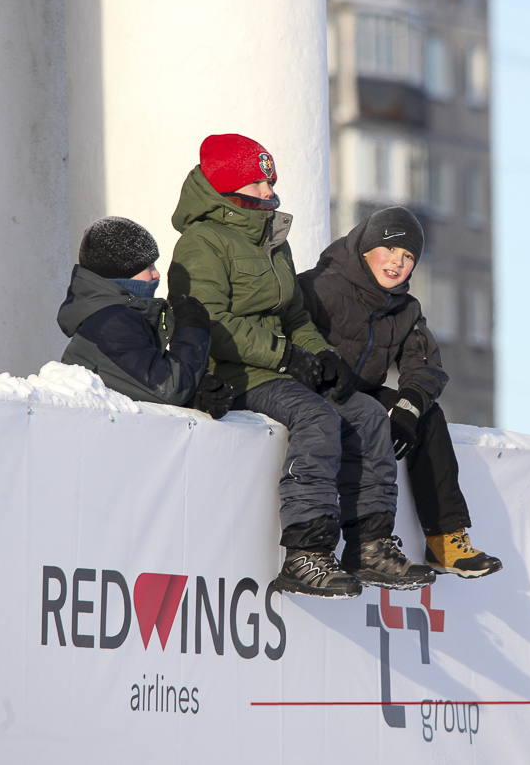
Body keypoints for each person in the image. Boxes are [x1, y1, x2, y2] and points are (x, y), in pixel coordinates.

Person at [167, 134, 435, 598]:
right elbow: (209, 321)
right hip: (231, 371)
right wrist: (286, 354)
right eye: (258, 183)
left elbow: (294, 316)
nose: (270, 192)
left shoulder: (273, 239)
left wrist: (323, 355)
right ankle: (306, 552)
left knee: (368, 413)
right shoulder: (202, 242)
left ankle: (370, 544)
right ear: (228, 186)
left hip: (279, 365)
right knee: (317, 416)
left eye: (271, 181)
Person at [298, 206, 503, 579]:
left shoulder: (406, 309)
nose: (398, 262)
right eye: (390, 248)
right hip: (313, 393)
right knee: (366, 411)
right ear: (365, 249)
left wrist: (407, 409)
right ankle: (361, 544)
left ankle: (444, 539)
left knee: (428, 415)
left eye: (408, 256)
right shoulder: (319, 286)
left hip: (361, 393)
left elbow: (426, 366)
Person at [58, 216, 233, 416]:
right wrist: (192, 327)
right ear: (123, 271)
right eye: (148, 267)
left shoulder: (116, 316)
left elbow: (135, 384)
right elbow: (168, 388)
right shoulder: (111, 322)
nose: (156, 274)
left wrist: (196, 395)